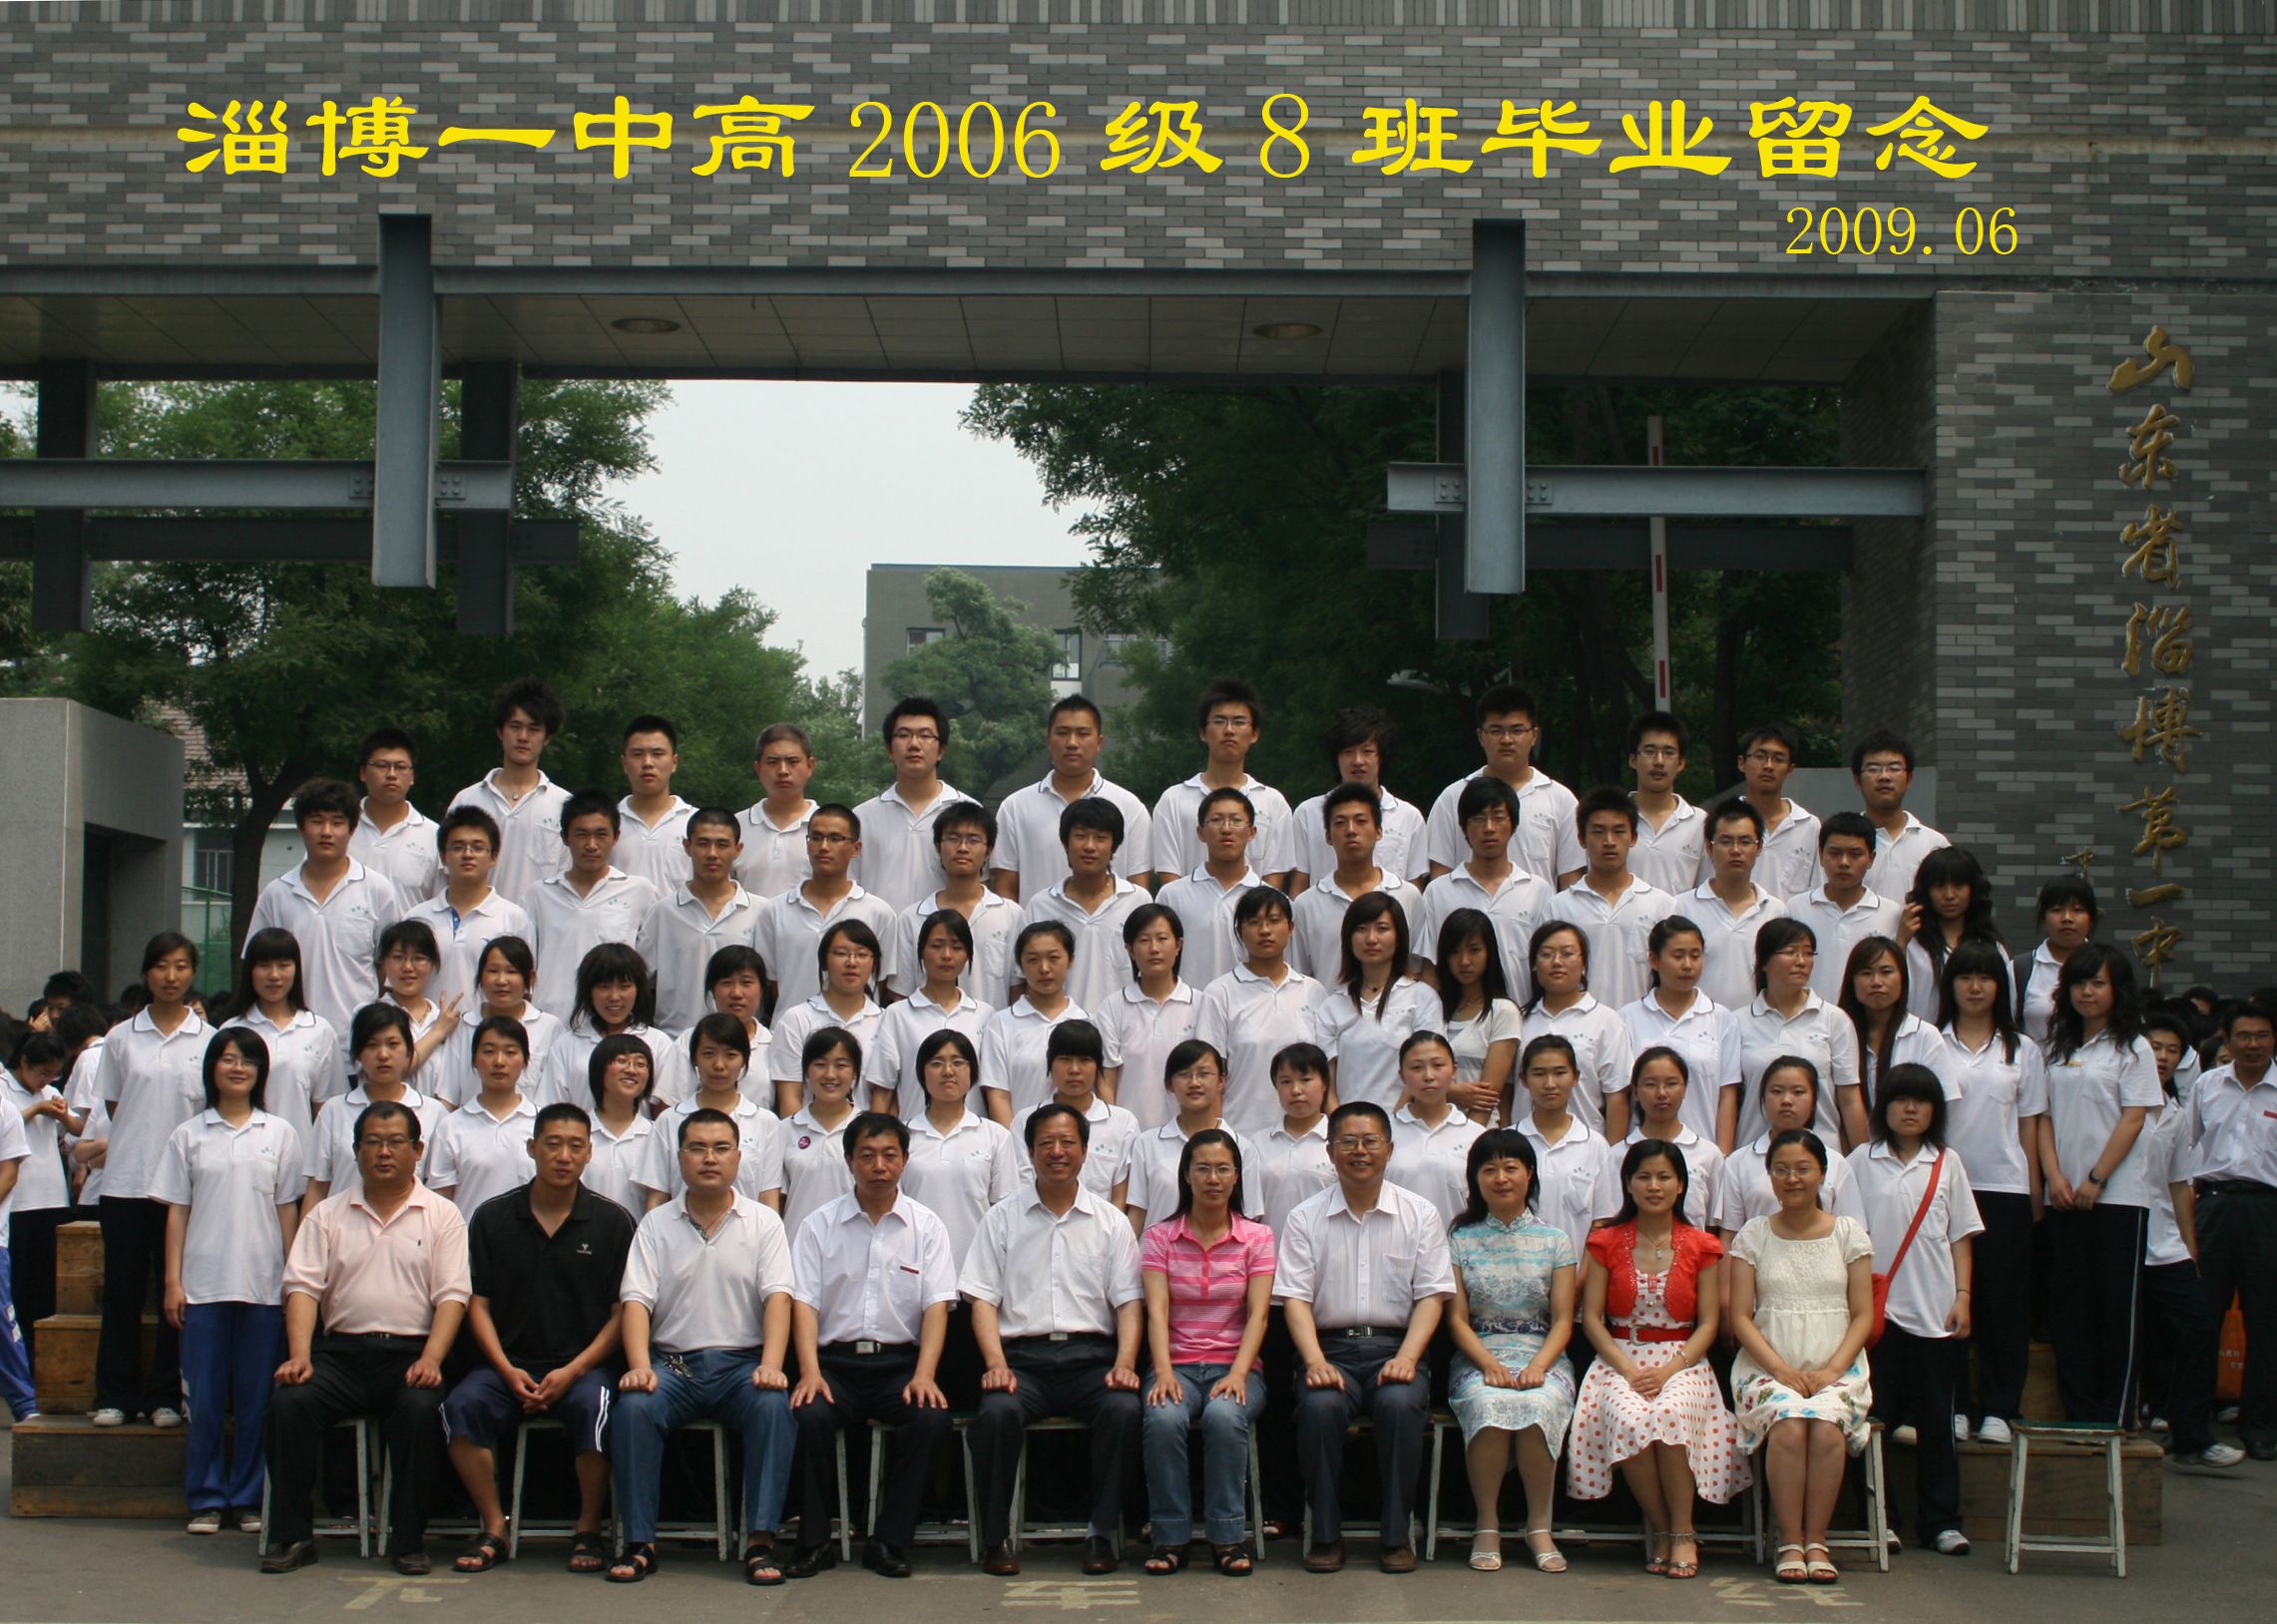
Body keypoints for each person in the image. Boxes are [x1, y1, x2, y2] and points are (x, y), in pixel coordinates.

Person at [260, 1100, 471, 1576]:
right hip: (341, 1354)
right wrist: (300, 1355)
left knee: (421, 1411)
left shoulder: (443, 1215)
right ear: (355, 1151)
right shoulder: (327, 1214)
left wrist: (433, 1359)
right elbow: (302, 1287)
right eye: (372, 1142)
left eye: (396, 1142)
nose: (384, 1152)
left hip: (411, 1354)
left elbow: (453, 1295)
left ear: (418, 1150)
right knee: (289, 1403)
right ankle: (293, 1536)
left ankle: (408, 1541)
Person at [607, 1107, 798, 1586]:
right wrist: (639, 1365)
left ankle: (760, 1541)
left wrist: (772, 1364)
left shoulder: (764, 1222)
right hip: (674, 1366)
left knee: (773, 1406)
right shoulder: (655, 1224)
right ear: (680, 1158)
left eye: (720, 1148)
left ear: (738, 1157)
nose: (709, 1158)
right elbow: (636, 1301)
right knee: (634, 1409)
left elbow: (778, 1298)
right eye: (697, 1148)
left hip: (742, 1365)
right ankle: (640, 1542)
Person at [441, 1102, 635, 1575]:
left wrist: (574, 1370)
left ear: (589, 1153)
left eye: (575, 1146)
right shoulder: (493, 1217)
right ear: (532, 1148)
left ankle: (588, 1528)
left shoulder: (612, 1221)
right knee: (460, 1406)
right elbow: (477, 1304)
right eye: (552, 1144)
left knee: (597, 1409)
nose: (563, 1156)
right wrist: (505, 1369)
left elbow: (622, 1314)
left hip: (583, 1368)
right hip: (507, 1364)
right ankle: (494, 1526)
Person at [964, 1100, 1146, 1577]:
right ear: (1029, 1152)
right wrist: (995, 1364)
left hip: (1091, 1360)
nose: (1057, 1151)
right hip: (1023, 1362)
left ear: (1085, 1151)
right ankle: (997, 1537)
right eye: (1046, 1143)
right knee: (995, 1414)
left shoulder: (1110, 1221)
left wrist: (1125, 1363)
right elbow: (982, 1299)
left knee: (1124, 1409)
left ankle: (1101, 1533)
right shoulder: (1001, 1218)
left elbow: (1129, 1302)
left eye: (1068, 1142)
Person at [1275, 1099, 1453, 1574]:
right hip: (1328, 1349)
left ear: (1389, 1150)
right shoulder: (1304, 1217)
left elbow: (1431, 1297)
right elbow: (1295, 1299)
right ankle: (1325, 1535)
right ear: (1330, 1151)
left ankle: (1396, 1537)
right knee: (1319, 1408)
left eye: (1370, 1141)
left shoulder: (1420, 1214)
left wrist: (1409, 1357)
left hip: (1396, 1347)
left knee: (1400, 1405)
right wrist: (1314, 1361)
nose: (1360, 1151)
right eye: (1348, 1142)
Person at [785, 1110, 961, 1579]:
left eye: (889, 1155)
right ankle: (814, 1542)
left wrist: (924, 1375)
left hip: (899, 1365)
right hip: (834, 1365)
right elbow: (804, 1304)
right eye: (867, 1156)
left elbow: (936, 1307)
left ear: (905, 1160)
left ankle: (889, 1541)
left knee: (930, 1418)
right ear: (849, 1162)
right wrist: (809, 1372)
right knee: (808, 1415)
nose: (879, 1166)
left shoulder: (927, 1226)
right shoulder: (819, 1225)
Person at [1568, 1139, 1748, 1581]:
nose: (1654, 1186)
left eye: (1664, 1177)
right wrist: (1628, 1369)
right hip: (1619, 1357)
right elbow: (1592, 1319)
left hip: (1683, 1359)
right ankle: (1664, 1527)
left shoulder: (1702, 1245)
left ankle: (1683, 1530)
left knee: (1670, 1414)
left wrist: (1669, 1370)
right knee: (1631, 1418)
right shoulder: (1605, 1241)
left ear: (1681, 1184)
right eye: (1644, 1177)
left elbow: (1708, 1323)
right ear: (1628, 1184)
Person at [1724, 1128, 1876, 1586]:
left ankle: (1817, 1540)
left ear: (1823, 1174)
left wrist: (1833, 1370)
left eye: (1803, 1169)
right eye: (1782, 1170)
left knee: (1826, 1428)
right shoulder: (1753, 1235)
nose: (1792, 1179)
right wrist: (1782, 1370)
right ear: (1769, 1176)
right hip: (1767, 1369)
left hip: (1838, 1367)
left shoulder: (1848, 1234)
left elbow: (1863, 1314)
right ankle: (1789, 1541)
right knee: (1789, 1424)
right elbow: (1740, 1316)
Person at [1845, 1064, 1981, 1553]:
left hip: (1934, 1312)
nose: (1910, 1109)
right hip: (1876, 1315)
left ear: (1935, 1111)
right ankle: (1880, 1518)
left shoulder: (1948, 1163)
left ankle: (1941, 1521)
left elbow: (1960, 1236)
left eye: (1921, 1101)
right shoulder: (1861, 1160)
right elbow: (1849, 1235)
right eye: (1900, 1099)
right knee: (1872, 1420)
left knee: (1937, 1423)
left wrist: (1963, 1296)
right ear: (1883, 1107)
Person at [1138, 1129, 1275, 1577]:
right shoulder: (1160, 1237)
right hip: (1174, 1364)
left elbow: (1258, 1315)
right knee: (1163, 1418)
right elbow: (1157, 1311)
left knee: (1223, 1415)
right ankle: (1170, 1537)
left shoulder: (1257, 1237)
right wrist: (1162, 1372)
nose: (1213, 1179)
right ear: (1186, 1176)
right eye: (1202, 1168)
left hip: (1235, 1367)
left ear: (1236, 1177)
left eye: (1222, 1169)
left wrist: (1238, 1374)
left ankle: (1227, 1537)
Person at [1444, 1129, 1579, 1574]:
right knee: (1488, 1402)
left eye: (1510, 1168)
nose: (1501, 1178)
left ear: (1529, 1174)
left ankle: (1539, 1525)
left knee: (1540, 1403)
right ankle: (1487, 1523)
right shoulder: (1460, 1239)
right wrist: (1488, 1364)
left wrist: (1539, 1365)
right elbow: (1456, 1320)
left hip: (1543, 1354)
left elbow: (1563, 1319)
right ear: (1475, 1178)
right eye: (1489, 1169)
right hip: (1480, 1354)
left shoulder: (1555, 1239)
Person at [90, 932, 211, 1427]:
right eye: (161, 966)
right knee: (121, 1292)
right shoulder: (121, 1038)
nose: (171, 976)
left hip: (183, 1190)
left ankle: (165, 1394)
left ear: (192, 973)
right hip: (126, 1182)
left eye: (181, 966)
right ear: (146, 972)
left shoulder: (208, 1039)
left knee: (173, 1294)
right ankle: (115, 1396)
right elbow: (115, 1104)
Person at [2039, 943, 2159, 1427]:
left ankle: (2115, 1415)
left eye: (2097, 983)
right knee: (2070, 1308)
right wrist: (2054, 1176)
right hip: (2064, 1196)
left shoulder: (2133, 1047)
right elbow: (2043, 1117)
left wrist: (2096, 1178)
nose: (2086, 993)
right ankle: (2078, 1410)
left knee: (2116, 1308)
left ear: (2117, 989)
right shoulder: (2057, 1047)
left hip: (2118, 1197)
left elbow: (2133, 1119)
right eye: (2078, 983)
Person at [1935, 941, 2047, 1445]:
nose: (1975, 987)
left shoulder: (2022, 1049)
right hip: (1946, 1187)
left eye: (1985, 978)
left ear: (2001, 987)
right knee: (1949, 1298)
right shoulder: (1933, 1043)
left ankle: (2001, 1407)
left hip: (2005, 1187)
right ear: (1950, 985)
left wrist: (2034, 1190)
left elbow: (2029, 1125)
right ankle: (1955, 1404)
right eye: (1965, 977)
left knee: (2004, 1301)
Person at [2136, 1018, 2240, 1470]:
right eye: (2155, 1047)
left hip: (2165, 1243)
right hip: (2121, 1235)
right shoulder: (2114, 1104)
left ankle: (2191, 1433)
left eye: (2172, 1050)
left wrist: (2189, 1247)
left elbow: (2180, 1185)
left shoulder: (2176, 1112)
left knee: (2198, 1326)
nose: (2162, 1057)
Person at [2184, 999, 2277, 1459]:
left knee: (2267, 1322)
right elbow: (2186, 1148)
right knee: (2201, 1317)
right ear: (2227, 1038)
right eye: (2244, 1036)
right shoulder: (2207, 1085)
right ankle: (2191, 1424)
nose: (2253, 1044)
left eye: (2262, 1036)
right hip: (2214, 1205)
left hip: (2268, 1210)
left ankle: (2259, 1427)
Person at [245, 777, 407, 1038]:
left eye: (337, 822)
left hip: (357, 1040)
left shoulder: (377, 890)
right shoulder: (276, 894)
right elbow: (255, 965)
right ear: (301, 827)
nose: (326, 832)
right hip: (289, 1037)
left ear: (352, 829)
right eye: (317, 821)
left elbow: (388, 965)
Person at [992, 694, 1154, 903]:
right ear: (1048, 741)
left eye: (1083, 734)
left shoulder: (1129, 807)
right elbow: (1006, 889)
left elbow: (1139, 888)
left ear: (1099, 742)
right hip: (1038, 922)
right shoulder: (1015, 807)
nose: (1072, 743)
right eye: (1062, 733)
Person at [896, 1030, 1019, 1304]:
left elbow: (1006, 1213)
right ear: (922, 1073)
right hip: (915, 1278)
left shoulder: (995, 1136)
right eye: (936, 1063)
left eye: (958, 1062)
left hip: (975, 1281)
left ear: (972, 1072)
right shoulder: (902, 1137)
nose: (948, 1071)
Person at [1425, 684, 1583, 888]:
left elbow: (1571, 882)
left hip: (1538, 909)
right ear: (1480, 736)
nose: (1507, 740)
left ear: (1534, 735)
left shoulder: (1561, 800)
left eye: (1517, 730)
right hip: (1467, 908)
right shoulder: (1452, 798)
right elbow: (1440, 877)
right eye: (1496, 731)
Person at [1728, 920, 1864, 1152]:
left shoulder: (1834, 1019)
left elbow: (1849, 1098)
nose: (1801, 961)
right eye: (1791, 952)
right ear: (1764, 962)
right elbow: (1730, 1098)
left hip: (1821, 1153)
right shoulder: (1738, 1022)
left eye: (1808, 953)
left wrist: (1862, 1158)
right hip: (1756, 1152)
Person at [1416, 776, 1553, 1003]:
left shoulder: (1538, 891)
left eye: (1498, 818)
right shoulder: (1439, 892)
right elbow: (1430, 970)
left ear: (1513, 825)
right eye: (1478, 818)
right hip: (1456, 1019)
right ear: (1463, 827)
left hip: (1523, 1015)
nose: (1489, 828)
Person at [1148, 680, 1296, 889]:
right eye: (1219, 721)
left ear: (1254, 734)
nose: (1229, 730)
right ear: (1203, 732)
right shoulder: (1173, 800)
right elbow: (1169, 884)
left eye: (1239, 722)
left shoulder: (1273, 803)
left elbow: (1273, 886)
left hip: (1255, 910)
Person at [527, 791, 663, 1019]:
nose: (591, 845)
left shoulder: (640, 892)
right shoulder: (539, 895)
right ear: (564, 837)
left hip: (614, 1023)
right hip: (550, 1020)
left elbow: (650, 964)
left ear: (616, 837)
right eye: (581, 834)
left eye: (601, 834)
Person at [1196, 887, 1319, 1135]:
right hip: (1241, 1132)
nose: (1264, 930)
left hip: (1306, 1135)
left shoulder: (1313, 991)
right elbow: (1210, 1073)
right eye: (1254, 922)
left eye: (1274, 921)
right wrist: (1218, 1133)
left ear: (1290, 928)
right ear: (1240, 931)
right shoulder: (1220, 993)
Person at [755, 804, 899, 1013]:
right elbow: (771, 982)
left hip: (856, 1028)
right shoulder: (775, 911)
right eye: (816, 837)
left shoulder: (879, 913)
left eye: (835, 838)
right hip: (791, 1028)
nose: (823, 846)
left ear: (856, 848)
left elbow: (881, 981)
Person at [1546, 787, 1678, 1012]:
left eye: (1619, 831)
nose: (1609, 841)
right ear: (1581, 839)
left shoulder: (1661, 905)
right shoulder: (1559, 908)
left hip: (1644, 1025)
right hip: (1578, 1025)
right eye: (1598, 832)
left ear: (1634, 837)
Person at [977, 921, 1121, 1125]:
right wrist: (1017, 1142)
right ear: (1020, 965)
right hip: (1022, 1140)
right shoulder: (1001, 1024)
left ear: (1070, 960)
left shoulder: (1089, 1022)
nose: (1044, 968)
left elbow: (1102, 1086)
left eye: (1053, 958)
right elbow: (998, 1096)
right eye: (1033, 960)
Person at [635, 805, 763, 1032]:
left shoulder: (760, 912)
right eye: (703, 843)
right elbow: (639, 981)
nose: (712, 853)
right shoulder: (662, 913)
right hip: (676, 1039)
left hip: (741, 1042)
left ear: (738, 849)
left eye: (722, 844)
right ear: (687, 846)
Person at [632, 1015, 783, 1209]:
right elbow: (657, 1196)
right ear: (695, 1058)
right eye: (709, 1054)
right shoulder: (669, 1120)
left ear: (744, 1060)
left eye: (730, 1055)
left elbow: (769, 1199)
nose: (719, 1065)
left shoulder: (765, 1122)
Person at [448, 678, 574, 912]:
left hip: (538, 926)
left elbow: (569, 879)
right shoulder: (467, 800)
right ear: (500, 731)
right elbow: (447, 874)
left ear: (547, 737)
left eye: (534, 729)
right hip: (475, 924)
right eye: (515, 726)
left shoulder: (564, 806)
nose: (523, 737)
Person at [303, 1005, 448, 1206]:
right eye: (372, 1045)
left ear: (409, 1051)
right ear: (358, 1054)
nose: (383, 1055)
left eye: (393, 1044)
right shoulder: (334, 1111)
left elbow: (440, 1189)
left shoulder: (434, 1112)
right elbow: (318, 1187)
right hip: (343, 1222)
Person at [1306, 892, 1437, 1112]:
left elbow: (1426, 1069)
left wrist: (1394, 1122)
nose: (1371, 939)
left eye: (1382, 928)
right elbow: (1328, 1084)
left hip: (1406, 1123)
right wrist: (1343, 1124)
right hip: (1347, 1127)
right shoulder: (1332, 1007)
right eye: (1361, 929)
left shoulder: (1422, 998)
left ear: (1399, 937)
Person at [399, 805, 532, 1016]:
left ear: (493, 856)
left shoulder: (514, 919)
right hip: (428, 1031)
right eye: (458, 847)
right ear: (443, 856)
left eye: (478, 847)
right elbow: (400, 986)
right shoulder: (417, 917)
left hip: (488, 1032)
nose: (468, 854)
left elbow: (524, 992)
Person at [887, 800, 1025, 1004]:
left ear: (988, 852)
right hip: (927, 1023)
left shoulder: (1011, 915)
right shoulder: (912, 917)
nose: (962, 848)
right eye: (953, 839)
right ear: (938, 847)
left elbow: (1017, 988)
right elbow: (902, 992)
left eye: (973, 840)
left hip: (992, 1023)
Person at [1621, 917, 1742, 1144]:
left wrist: (1722, 1154)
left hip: (1701, 1150)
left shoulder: (1722, 1018)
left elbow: (1727, 1094)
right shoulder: (1628, 1018)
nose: (1687, 965)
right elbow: (1621, 1094)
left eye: (1695, 956)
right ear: (1654, 960)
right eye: (1678, 956)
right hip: (1642, 1151)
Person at [853, 696, 978, 916]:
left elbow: (979, 888)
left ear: (941, 750)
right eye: (903, 735)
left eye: (925, 736)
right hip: (878, 935)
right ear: (889, 749)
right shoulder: (862, 818)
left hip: (946, 936)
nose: (914, 744)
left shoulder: (969, 814)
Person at [225, 927, 345, 1149]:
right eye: (264, 965)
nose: (274, 975)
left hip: (300, 1157)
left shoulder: (319, 1030)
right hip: (241, 1153)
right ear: (250, 970)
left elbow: (328, 1111)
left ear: (297, 969)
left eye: (283, 965)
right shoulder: (232, 1030)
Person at [1288, 705, 1431, 893]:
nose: (1357, 761)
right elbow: (1300, 883)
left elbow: (1414, 889)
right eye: (1348, 752)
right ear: (1336, 758)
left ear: (1381, 757)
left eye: (1367, 751)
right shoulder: (1308, 813)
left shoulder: (1408, 817)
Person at [1026, 799, 1148, 1015]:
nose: (1090, 846)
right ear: (1065, 843)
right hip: (1059, 1028)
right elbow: (1025, 978)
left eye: (1101, 838)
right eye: (1080, 836)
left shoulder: (1137, 901)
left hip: (1125, 1024)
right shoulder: (1041, 905)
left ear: (1114, 846)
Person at [867, 910, 994, 1119]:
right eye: (936, 946)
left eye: (957, 947)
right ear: (921, 952)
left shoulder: (985, 1015)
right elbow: (884, 1089)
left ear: (968, 955)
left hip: (973, 1132)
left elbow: (992, 1090)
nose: (947, 955)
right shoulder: (898, 1014)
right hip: (914, 1131)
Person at [1288, 783, 1423, 979]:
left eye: (1361, 821)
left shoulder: (1407, 896)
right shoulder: (1306, 905)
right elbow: (1299, 976)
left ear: (1379, 831)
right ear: (1328, 836)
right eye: (1340, 823)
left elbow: (1416, 968)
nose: (1351, 830)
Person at [1717, 1057, 1864, 1235]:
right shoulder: (1738, 1162)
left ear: (1814, 1101)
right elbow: (1729, 1236)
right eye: (1777, 1091)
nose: (1786, 1100)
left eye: (1798, 1092)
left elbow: (1851, 1233)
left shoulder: (1836, 1162)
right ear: (1763, 1098)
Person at [3, 1031, 79, 1371]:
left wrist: (61, 1114)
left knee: (44, 1284)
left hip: (51, 1198)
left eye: (54, 1073)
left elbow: (76, 1128)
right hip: (18, 1201)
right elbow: (6, 1125)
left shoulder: (51, 1092)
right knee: (16, 1284)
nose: (47, 1080)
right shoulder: (4, 1088)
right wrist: (34, 1110)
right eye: (42, 1072)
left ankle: (38, 1360)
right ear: (24, 1062)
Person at [1125, 1039, 1256, 1230]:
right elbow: (1138, 1214)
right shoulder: (1147, 1144)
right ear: (1170, 1084)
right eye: (1184, 1074)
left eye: (1204, 1074)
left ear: (1221, 1081)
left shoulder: (1243, 1148)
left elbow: (1249, 1219)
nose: (1194, 1083)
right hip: (1158, 1248)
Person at [1518, 921, 1633, 1136]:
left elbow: (1617, 1096)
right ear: (1534, 965)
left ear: (1583, 964)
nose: (1557, 962)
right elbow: (1506, 1091)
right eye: (1547, 954)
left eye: (1567, 954)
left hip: (1585, 1144)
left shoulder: (1606, 1021)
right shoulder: (1519, 1019)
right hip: (1523, 1143)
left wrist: (1613, 1152)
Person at [546, 943, 686, 1113]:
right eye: (604, 987)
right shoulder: (565, 1045)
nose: (614, 997)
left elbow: (666, 1112)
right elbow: (552, 1109)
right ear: (589, 991)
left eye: (624, 986)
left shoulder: (658, 1042)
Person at [1009, 1020, 1138, 1202]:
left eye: (1084, 1060)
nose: (1074, 1070)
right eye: (1065, 1060)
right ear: (1050, 1064)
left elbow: (1121, 1194)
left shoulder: (1123, 1123)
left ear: (1098, 1066)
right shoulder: (1025, 1121)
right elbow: (1021, 1185)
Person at [1515, 1035, 1618, 1259]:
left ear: (1576, 1077)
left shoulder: (1595, 1145)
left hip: (1578, 1270)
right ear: (1523, 1079)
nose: (1550, 1084)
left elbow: (1603, 1221)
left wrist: (1582, 1275)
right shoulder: (1509, 1142)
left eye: (1560, 1073)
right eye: (1539, 1074)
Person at [768, 921, 884, 1117]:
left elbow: (885, 1095)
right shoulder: (796, 1019)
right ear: (823, 961)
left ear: (874, 963)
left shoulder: (886, 1021)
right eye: (841, 953)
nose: (852, 962)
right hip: (808, 1132)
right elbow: (790, 1097)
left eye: (862, 954)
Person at [1101, 904, 1198, 1134]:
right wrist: (1113, 1133)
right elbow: (1106, 1081)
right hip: (1130, 1137)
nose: (1154, 948)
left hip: (1188, 1137)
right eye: (1144, 940)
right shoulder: (1113, 1007)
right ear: (1130, 950)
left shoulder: (1201, 1005)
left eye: (1162, 939)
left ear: (1178, 945)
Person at [425, 1017, 539, 1215]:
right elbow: (441, 1199)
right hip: (468, 1232)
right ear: (474, 1060)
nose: (499, 1062)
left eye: (510, 1052)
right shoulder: (451, 1126)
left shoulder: (541, 1123)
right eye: (488, 1051)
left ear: (525, 1061)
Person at [1156, 788, 1268, 990]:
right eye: (1216, 820)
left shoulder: (1271, 899)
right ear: (1201, 833)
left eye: (1236, 820)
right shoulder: (1172, 896)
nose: (1226, 829)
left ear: (1251, 833)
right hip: (1188, 1006)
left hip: (1251, 1006)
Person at [439, 937, 568, 1109]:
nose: (501, 980)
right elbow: (448, 1095)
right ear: (481, 977)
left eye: (511, 971)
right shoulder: (463, 1025)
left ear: (530, 978)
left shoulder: (549, 1027)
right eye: (493, 971)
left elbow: (554, 1097)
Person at [1686, 800, 1789, 1012]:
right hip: (1699, 1023)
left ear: (1759, 847)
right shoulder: (1682, 908)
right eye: (1725, 841)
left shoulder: (1775, 911)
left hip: (1759, 1024)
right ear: (1709, 847)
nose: (1735, 850)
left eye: (1745, 841)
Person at [1787, 814, 1901, 1002]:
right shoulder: (1796, 908)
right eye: (1835, 853)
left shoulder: (1890, 913)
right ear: (1821, 856)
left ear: (1871, 858)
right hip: (1809, 1015)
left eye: (1855, 854)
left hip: (1864, 1016)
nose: (1844, 863)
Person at [1385, 1031, 1486, 1229]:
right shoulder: (1384, 1134)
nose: (1428, 1076)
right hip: (1396, 1242)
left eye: (1438, 1065)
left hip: (1458, 1244)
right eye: (1416, 1067)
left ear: (1454, 1070)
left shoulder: (1476, 1136)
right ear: (1402, 1075)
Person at [1838, 936, 1951, 1110]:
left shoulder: (1925, 1035)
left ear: (1903, 977)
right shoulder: (1836, 1032)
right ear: (1852, 981)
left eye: (1886, 972)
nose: (1876, 982)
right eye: (1866, 973)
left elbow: (1942, 1102)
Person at [1433, 909, 1522, 1125]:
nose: (1464, 961)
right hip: (1428, 1128)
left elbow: (1487, 1097)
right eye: (1455, 951)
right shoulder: (1433, 1006)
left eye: (1474, 950)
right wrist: (1451, 1092)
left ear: (1489, 952)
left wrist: (1467, 1141)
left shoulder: (1502, 1011)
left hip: (1478, 1132)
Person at [1897, 847, 2007, 1022]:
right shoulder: (1911, 945)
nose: (1949, 895)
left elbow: (2006, 1006)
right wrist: (1900, 944)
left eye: (1958, 886)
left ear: (1973, 889)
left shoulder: (1992, 947)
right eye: (1939, 886)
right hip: (1918, 1037)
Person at [1624, 1047, 1726, 1230]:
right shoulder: (1616, 1155)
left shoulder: (1709, 1154)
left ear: (1685, 1088)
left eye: (1671, 1083)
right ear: (1636, 1091)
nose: (1661, 1093)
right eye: (1650, 1084)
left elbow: (1713, 1227)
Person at [777, 1027, 862, 1238]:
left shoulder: (868, 1130)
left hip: (854, 1246)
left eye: (841, 1065)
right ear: (806, 1071)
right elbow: (776, 1201)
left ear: (855, 1072)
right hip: (797, 1246)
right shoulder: (785, 1130)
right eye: (820, 1065)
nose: (830, 1075)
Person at [1851, 731, 1948, 905]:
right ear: (1858, 780)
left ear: (1909, 779)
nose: (1884, 777)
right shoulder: (1843, 844)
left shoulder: (1934, 844)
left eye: (1894, 768)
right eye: (1873, 769)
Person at [350, 727, 441, 904]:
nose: (391, 774)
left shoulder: (434, 836)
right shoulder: (341, 829)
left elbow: (442, 903)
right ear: (363, 773)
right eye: (381, 766)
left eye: (400, 767)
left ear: (412, 776)